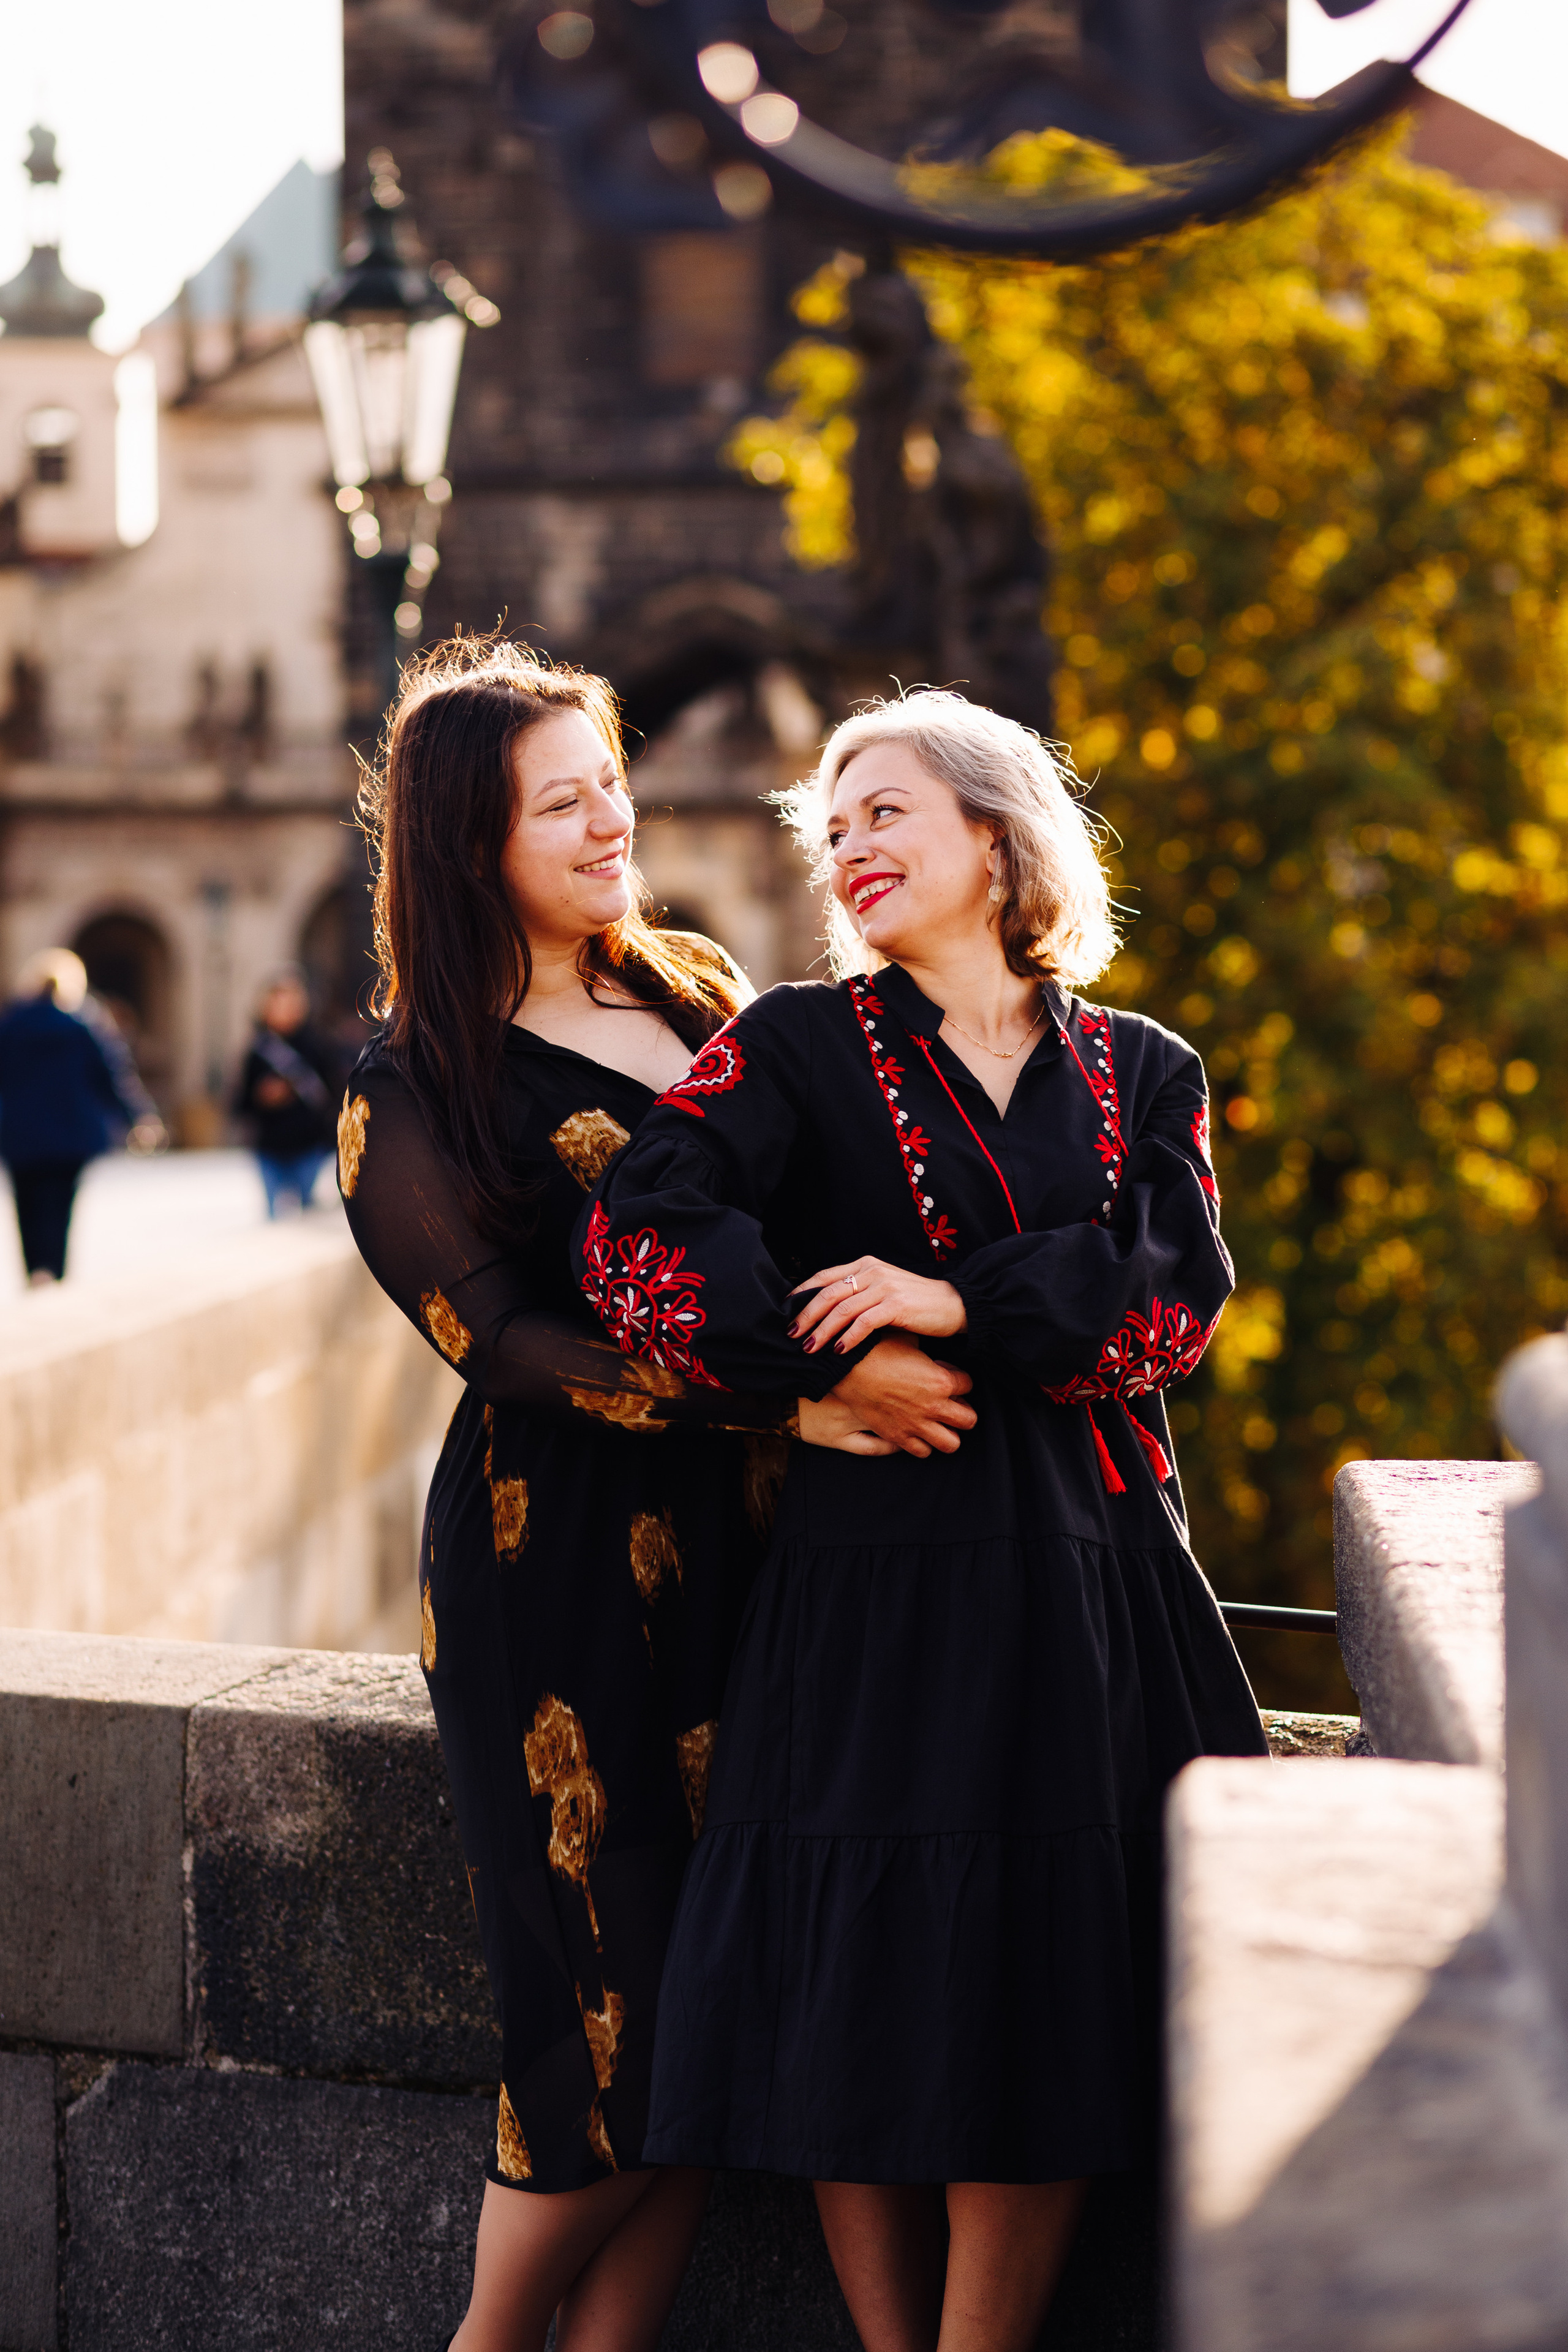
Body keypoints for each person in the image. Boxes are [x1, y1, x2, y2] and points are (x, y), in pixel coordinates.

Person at [576, 690, 1268, 2352]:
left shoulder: (1142, 1069)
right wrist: (805, 1369)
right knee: (858, 1981)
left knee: (1049, 1981)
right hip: (870, 1586)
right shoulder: (801, 1043)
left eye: (885, 809)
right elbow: (635, 1243)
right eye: (836, 823)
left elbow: (1176, 1308)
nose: (849, 844)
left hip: (1089, 1587)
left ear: (997, 833)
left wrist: (950, 1301)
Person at [337, 641, 970, 2352]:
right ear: (472, 843)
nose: (612, 816)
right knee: (609, 2022)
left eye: (608, 778)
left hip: (761, 1561)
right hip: (560, 1584)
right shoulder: (413, 1084)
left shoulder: (697, 985)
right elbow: (509, 1339)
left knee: (715, 2020)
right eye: (565, 801)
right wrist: (791, 1391)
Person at [0, 948, 162, 1286]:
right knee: (59, 1209)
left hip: (19, 1136)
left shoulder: (10, 1025)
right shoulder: (85, 1025)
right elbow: (114, 1077)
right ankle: (53, 1273)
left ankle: (35, 1270)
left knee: (26, 1205)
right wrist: (139, 1117)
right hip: (70, 1135)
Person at [233, 968, 341, 1215]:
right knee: (274, 1218)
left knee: (309, 1217)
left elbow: (334, 1093)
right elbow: (241, 1101)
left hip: (309, 1145)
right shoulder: (258, 1049)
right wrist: (263, 1097)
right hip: (270, 1147)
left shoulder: (317, 1045)